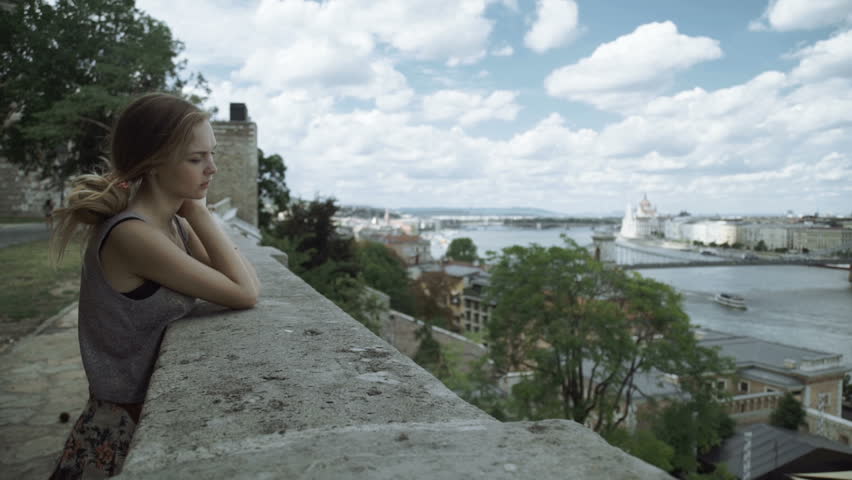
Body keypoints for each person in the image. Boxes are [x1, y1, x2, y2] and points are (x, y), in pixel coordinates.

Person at [48, 93, 260, 479]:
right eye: (196, 159)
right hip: (123, 426)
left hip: (144, 411)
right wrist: (198, 210)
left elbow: (245, 279)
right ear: (154, 163)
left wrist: (193, 212)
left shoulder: (173, 224)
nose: (212, 168)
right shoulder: (134, 235)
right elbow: (244, 294)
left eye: (211, 154)